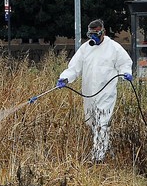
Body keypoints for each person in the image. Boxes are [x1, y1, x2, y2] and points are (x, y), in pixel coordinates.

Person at [57, 19, 133, 163]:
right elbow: (74, 67)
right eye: (91, 34)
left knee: (102, 123)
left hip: (106, 93)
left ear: (103, 32)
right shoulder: (85, 49)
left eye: (96, 34)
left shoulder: (114, 48)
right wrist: (65, 78)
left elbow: (125, 63)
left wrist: (126, 73)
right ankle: (107, 150)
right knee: (92, 122)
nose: (94, 38)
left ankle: (97, 157)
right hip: (89, 92)